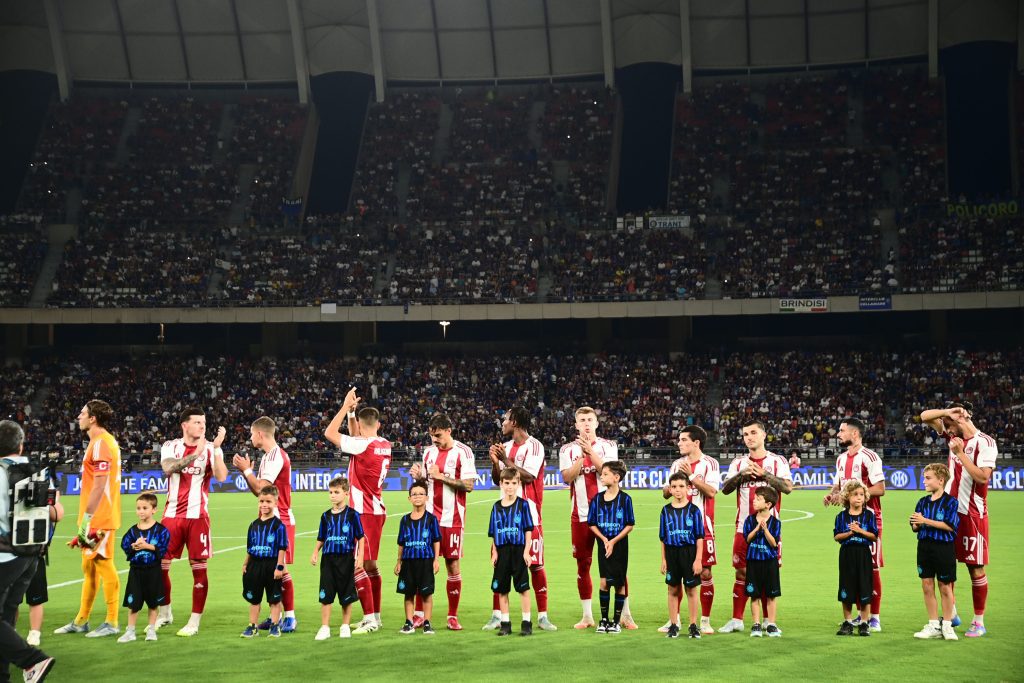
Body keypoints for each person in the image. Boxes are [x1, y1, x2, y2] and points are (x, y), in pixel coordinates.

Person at [919, 401, 997, 637]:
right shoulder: (953, 436)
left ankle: (978, 621)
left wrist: (960, 454)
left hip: (972, 515)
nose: (946, 429)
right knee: (945, 565)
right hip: (949, 513)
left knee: (975, 569)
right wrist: (946, 413)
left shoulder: (985, 443)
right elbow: (924, 416)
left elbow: (982, 478)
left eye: (949, 424)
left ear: (961, 419)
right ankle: (950, 614)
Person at [324, 387, 392, 634]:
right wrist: (353, 415)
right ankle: (375, 617)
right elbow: (356, 437)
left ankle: (370, 620)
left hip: (363, 512)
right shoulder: (384, 444)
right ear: (378, 424)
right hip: (375, 510)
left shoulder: (362, 445)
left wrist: (344, 408)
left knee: (358, 565)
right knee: (371, 565)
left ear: (362, 427)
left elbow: (329, 433)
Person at [54, 400, 123, 638]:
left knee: (103, 563)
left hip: (100, 517)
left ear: (93, 418)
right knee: (89, 568)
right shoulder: (100, 441)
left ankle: (112, 621)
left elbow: (100, 485)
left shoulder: (101, 443)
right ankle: (81, 620)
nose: (79, 416)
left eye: (82, 413)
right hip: (96, 516)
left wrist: (86, 520)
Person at [157, 407, 228, 637]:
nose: (202, 426)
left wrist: (216, 449)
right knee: (160, 567)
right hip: (171, 516)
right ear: (184, 425)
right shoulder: (171, 446)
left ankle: (194, 621)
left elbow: (221, 476)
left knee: (199, 569)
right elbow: (168, 468)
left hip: (198, 517)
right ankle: (165, 613)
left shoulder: (209, 448)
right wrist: (195, 455)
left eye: (204, 422)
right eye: (197, 422)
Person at [718, 420, 792, 634]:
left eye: (753, 433)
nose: (749, 437)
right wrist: (741, 475)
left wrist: (764, 475)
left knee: (768, 573)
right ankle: (737, 619)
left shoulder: (777, 461)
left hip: (769, 529)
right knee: (741, 572)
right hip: (743, 528)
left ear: (764, 435)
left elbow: (788, 488)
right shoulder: (738, 463)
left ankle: (768, 621)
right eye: (745, 434)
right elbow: (725, 489)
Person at [485, 406, 554, 631]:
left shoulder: (535, 446)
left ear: (514, 421)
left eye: (505, 419)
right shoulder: (504, 447)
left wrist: (505, 459)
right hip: (504, 517)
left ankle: (542, 616)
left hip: (529, 514)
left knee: (535, 564)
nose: (502, 423)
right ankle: (497, 616)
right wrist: (495, 462)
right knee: (499, 565)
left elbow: (529, 476)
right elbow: (498, 479)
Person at [408, 413, 476, 630]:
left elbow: (468, 485)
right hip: (428, 518)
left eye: (438, 435)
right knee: (422, 563)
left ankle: (452, 616)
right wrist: (419, 477)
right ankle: (419, 614)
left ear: (449, 431)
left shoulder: (463, 452)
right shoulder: (429, 452)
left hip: (452, 518)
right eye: (431, 435)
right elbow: (427, 482)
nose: (434, 439)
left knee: (452, 564)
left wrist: (441, 477)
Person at [0, 420, 56, 682]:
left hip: (4, 555)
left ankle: (32, 660)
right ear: (21, 445)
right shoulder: (38, 471)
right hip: (31, 556)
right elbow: (56, 512)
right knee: (5, 617)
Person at [558, 406, 621, 630]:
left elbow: (608, 473)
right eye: (582, 420)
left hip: (608, 515)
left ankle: (625, 614)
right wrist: (581, 458)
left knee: (615, 564)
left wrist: (590, 452)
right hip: (581, 515)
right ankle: (587, 616)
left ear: (596, 423)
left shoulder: (608, 446)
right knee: (583, 564)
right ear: (576, 425)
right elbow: (567, 477)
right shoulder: (567, 450)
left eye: (589, 420)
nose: (586, 423)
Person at [233, 417, 297, 633]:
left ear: (260, 434)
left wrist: (246, 471)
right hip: (270, 520)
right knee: (272, 569)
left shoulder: (275, 456)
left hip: (280, 520)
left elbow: (261, 488)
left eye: (252, 433)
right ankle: (274, 616)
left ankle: (290, 617)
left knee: (281, 569)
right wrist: (247, 473)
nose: (251, 438)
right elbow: (260, 494)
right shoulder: (269, 457)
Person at [824, 417, 885, 631]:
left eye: (842, 431)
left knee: (871, 568)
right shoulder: (841, 459)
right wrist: (832, 494)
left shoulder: (870, 457)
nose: (838, 434)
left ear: (855, 433)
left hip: (869, 518)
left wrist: (854, 495)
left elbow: (880, 488)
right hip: (848, 519)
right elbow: (839, 485)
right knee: (853, 567)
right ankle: (860, 615)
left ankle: (874, 617)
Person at [660, 425, 719, 634]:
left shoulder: (710, 463)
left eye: (684, 440)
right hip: (677, 528)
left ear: (696, 443)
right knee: (676, 574)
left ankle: (704, 620)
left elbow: (711, 492)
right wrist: (670, 488)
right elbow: (666, 494)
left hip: (702, 526)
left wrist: (691, 476)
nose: (679, 443)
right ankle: (674, 620)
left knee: (704, 572)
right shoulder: (676, 464)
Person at [910, 464, 960, 641]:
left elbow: (950, 526)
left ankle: (947, 625)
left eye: (928, 478)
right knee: (927, 585)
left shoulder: (951, 502)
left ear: (941, 480)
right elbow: (915, 526)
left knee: (945, 586)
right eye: (924, 478)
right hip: (924, 547)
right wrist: (916, 523)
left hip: (943, 548)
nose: (924, 481)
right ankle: (933, 625)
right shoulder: (922, 502)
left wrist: (924, 520)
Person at [311, 476, 364, 641]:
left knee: (346, 593)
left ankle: (345, 625)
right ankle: (325, 627)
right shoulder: (325, 516)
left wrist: (360, 556)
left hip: (346, 558)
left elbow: (361, 537)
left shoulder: (352, 515)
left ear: (346, 493)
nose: (333, 495)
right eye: (330, 492)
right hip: (328, 559)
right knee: (326, 593)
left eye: (336, 492)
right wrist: (315, 552)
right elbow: (321, 537)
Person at [587, 460, 635, 634]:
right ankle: (604, 620)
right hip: (603, 546)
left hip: (620, 546)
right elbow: (592, 523)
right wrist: (604, 539)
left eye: (605, 474)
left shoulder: (625, 499)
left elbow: (630, 524)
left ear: (616, 477)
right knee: (604, 582)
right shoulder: (597, 499)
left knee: (620, 583)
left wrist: (613, 541)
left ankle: (616, 621)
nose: (602, 476)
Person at [117, 493, 171, 643]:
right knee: (133, 604)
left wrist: (147, 546)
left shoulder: (161, 530)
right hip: (136, 571)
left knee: (153, 603)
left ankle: (151, 630)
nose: (141, 511)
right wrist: (134, 546)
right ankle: (130, 631)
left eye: (145, 508)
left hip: (153, 571)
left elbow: (163, 549)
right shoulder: (132, 531)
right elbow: (125, 545)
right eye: (138, 508)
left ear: (154, 510)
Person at [487, 467, 534, 637]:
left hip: (518, 550)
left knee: (523, 588)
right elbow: (494, 533)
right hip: (502, 551)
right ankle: (505, 623)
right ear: (501, 484)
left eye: (513, 483)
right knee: (502, 589)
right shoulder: (496, 507)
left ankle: (526, 623)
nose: (510, 487)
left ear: (519, 483)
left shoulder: (523, 505)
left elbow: (528, 530)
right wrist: (494, 552)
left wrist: (526, 551)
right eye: (507, 483)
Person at [659, 471, 705, 639]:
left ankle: (693, 625)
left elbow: (699, 537)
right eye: (674, 486)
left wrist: (698, 559)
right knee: (672, 589)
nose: (678, 490)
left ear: (688, 488)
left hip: (689, 553)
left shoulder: (694, 510)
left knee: (691, 589)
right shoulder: (665, 511)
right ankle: (673, 625)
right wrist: (663, 559)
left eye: (681, 486)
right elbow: (663, 538)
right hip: (672, 553)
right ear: (670, 489)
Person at [240, 486, 288, 638]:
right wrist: (245, 564)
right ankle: (252, 626)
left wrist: (279, 567)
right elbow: (250, 548)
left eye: (268, 501)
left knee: (274, 599)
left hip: (271, 565)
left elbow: (282, 548)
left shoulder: (279, 526)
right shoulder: (253, 525)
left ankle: (275, 626)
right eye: (261, 501)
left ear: (275, 503)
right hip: (254, 565)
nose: (264, 505)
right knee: (254, 599)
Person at [22, 473, 63, 647]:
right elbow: (58, 515)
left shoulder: (41, 478)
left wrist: (49, 501)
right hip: (29, 548)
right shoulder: (41, 477)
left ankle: (32, 632)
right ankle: (29, 633)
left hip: (27, 549)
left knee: (29, 598)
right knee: (26, 598)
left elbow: (57, 514)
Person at [395, 480, 441, 635]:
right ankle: (409, 622)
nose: (417, 496)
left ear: (427, 497)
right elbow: (401, 543)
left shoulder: (431, 519)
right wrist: (399, 561)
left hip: (425, 561)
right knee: (408, 594)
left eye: (421, 494)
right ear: (409, 498)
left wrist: (436, 559)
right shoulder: (404, 520)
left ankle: (427, 623)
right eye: (414, 494)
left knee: (426, 594)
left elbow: (436, 540)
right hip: (408, 561)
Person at [833, 481, 878, 637]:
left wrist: (860, 531)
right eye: (855, 495)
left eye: (861, 495)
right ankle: (848, 622)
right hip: (847, 554)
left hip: (863, 553)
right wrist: (850, 533)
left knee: (865, 586)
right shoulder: (841, 516)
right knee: (846, 586)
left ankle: (864, 623)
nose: (859, 498)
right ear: (847, 497)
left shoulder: (869, 515)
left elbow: (874, 536)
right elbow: (837, 536)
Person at [743, 487, 782, 638]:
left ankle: (771, 624)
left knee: (771, 595)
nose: (754, 501)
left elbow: (774, 543)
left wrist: (765, 530)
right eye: (755, 498)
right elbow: (748, 539)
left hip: (770, 562)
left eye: (758, 499)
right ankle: (756, 624)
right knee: (754, 595)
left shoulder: (775, 523)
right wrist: (757, 528)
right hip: (753, 562)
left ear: (768, 504)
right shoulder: (749, 520)